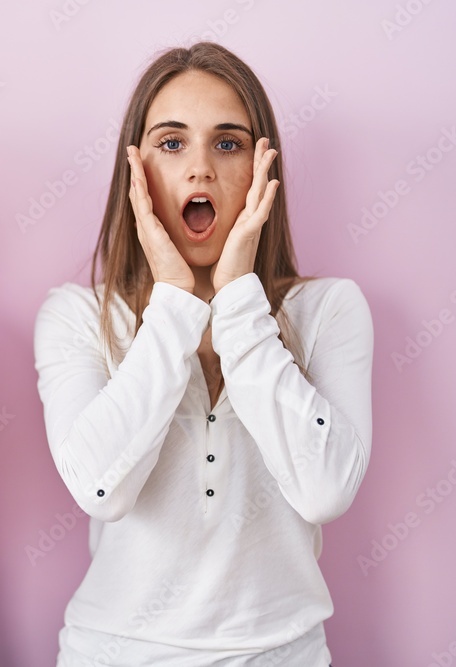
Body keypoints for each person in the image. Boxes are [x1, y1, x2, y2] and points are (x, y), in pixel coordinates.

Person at [34, 42, 372, 666]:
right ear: (133, 173)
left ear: (264, 167)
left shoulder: (330, 310)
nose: (199, 171)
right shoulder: (77, 317)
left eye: (227, 143)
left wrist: (241, 301)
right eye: (171, 143)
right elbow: (102, 490)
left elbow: (325, 490)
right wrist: (173, 301)